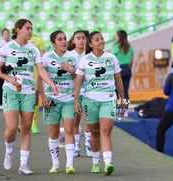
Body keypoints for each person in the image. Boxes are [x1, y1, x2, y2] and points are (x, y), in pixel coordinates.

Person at [0, 18, 59, 175]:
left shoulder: (34, 49)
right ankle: (9, 150)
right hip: (10, 91)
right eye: (27, 28)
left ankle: (23, 165)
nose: (30, 31)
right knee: (11, 128)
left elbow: (41, 70)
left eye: (31, 28)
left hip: (29, 92)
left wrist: (51, 83)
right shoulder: (7, 47)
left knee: (26, 128)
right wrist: (10, 79)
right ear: (18, 29)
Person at [74, 31, 125, 175]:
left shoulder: (112, 58)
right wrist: (75, 101)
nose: (101, 41)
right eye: (97, 40)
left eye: (102, 39)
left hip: (108, 99)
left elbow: (118, 80)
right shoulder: (84, 60)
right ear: (90, 44)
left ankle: (108, 163)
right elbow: (78, 81)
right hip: (90, 100)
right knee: (94, 132)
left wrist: (122, 99)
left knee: (105, 131)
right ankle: (96, 163)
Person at [37, 30, 78, 174]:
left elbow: (80, 77)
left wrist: (71, 70)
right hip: (51, 99)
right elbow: (40, 79)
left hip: (68, 99)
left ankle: (69, 165)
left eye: (65, 39)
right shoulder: (46, 57)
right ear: (53, 43)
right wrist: (43, 97)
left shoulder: (73, 56)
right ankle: (55, 164)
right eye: (60, 39)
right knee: (53, 132)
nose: (63, 41)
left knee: (69, 130)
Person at [67, 30, 91, 157]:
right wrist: (72, 71)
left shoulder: (91, 55)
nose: (81, 40)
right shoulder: (69, 55)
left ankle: (88, 145)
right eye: (78, 38)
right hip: (74, 92)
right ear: (73, 40)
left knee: (89, 119)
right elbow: (68, 74)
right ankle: (76, 146)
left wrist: (73, 70)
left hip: (89, 92)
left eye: (83, 38)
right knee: (75, 121)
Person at [28, 34, 45, 134]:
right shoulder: (18, 42)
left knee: (35, 99)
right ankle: (22, 123)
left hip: (36, 73)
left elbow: (42, 55)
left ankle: (33, 123)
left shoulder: (38, 40)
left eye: (30, 28)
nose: (29, 30)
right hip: (24, 74)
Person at [112, 30, 134, 102]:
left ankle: (118, 109)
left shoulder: (115, 46)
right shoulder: (129, 47)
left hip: (118, 70)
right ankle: (125, 110)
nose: (115, 37)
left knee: (117, 91)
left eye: (116, 36)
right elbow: (132, 60)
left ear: (119, 37)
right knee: (125, 91)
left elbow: (113, 59)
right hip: (127, 69)